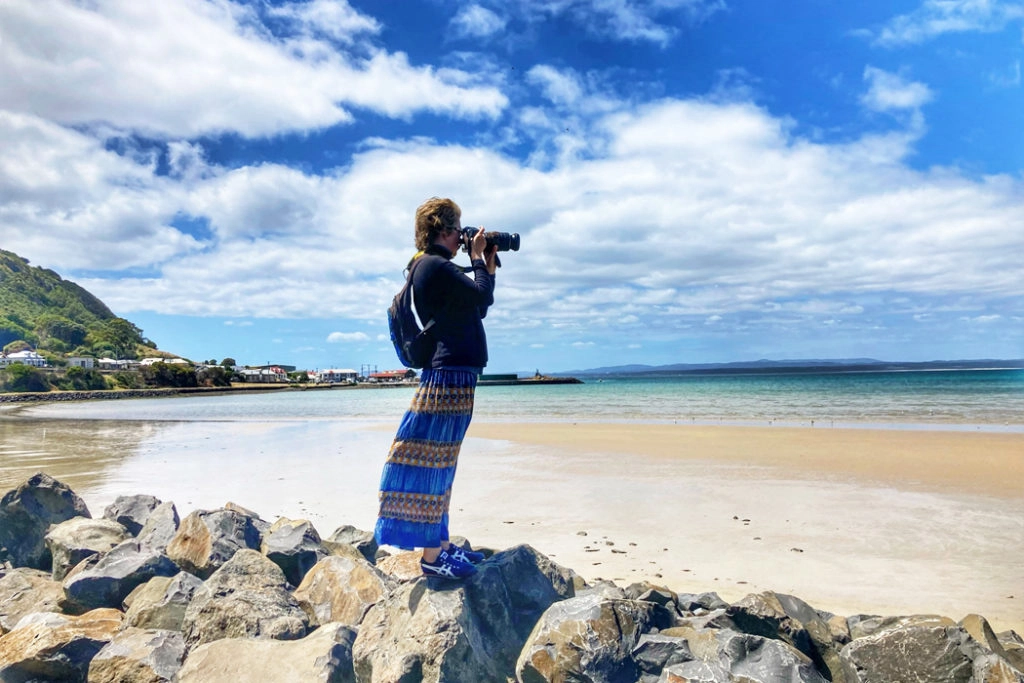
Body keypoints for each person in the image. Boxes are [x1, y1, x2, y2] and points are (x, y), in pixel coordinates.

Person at [373, 197, 498, 579]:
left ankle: (441, 546)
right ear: (443, 228)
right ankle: (432, 558)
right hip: (447, 377)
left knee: (442, 461)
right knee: (434, 462)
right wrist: (477, 259)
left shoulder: (434, 267)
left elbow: (480, 303)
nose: (463, 236)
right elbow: (478, 296)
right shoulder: (432, 265)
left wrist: (486, 264)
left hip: (455, 375)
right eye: (458, 228)